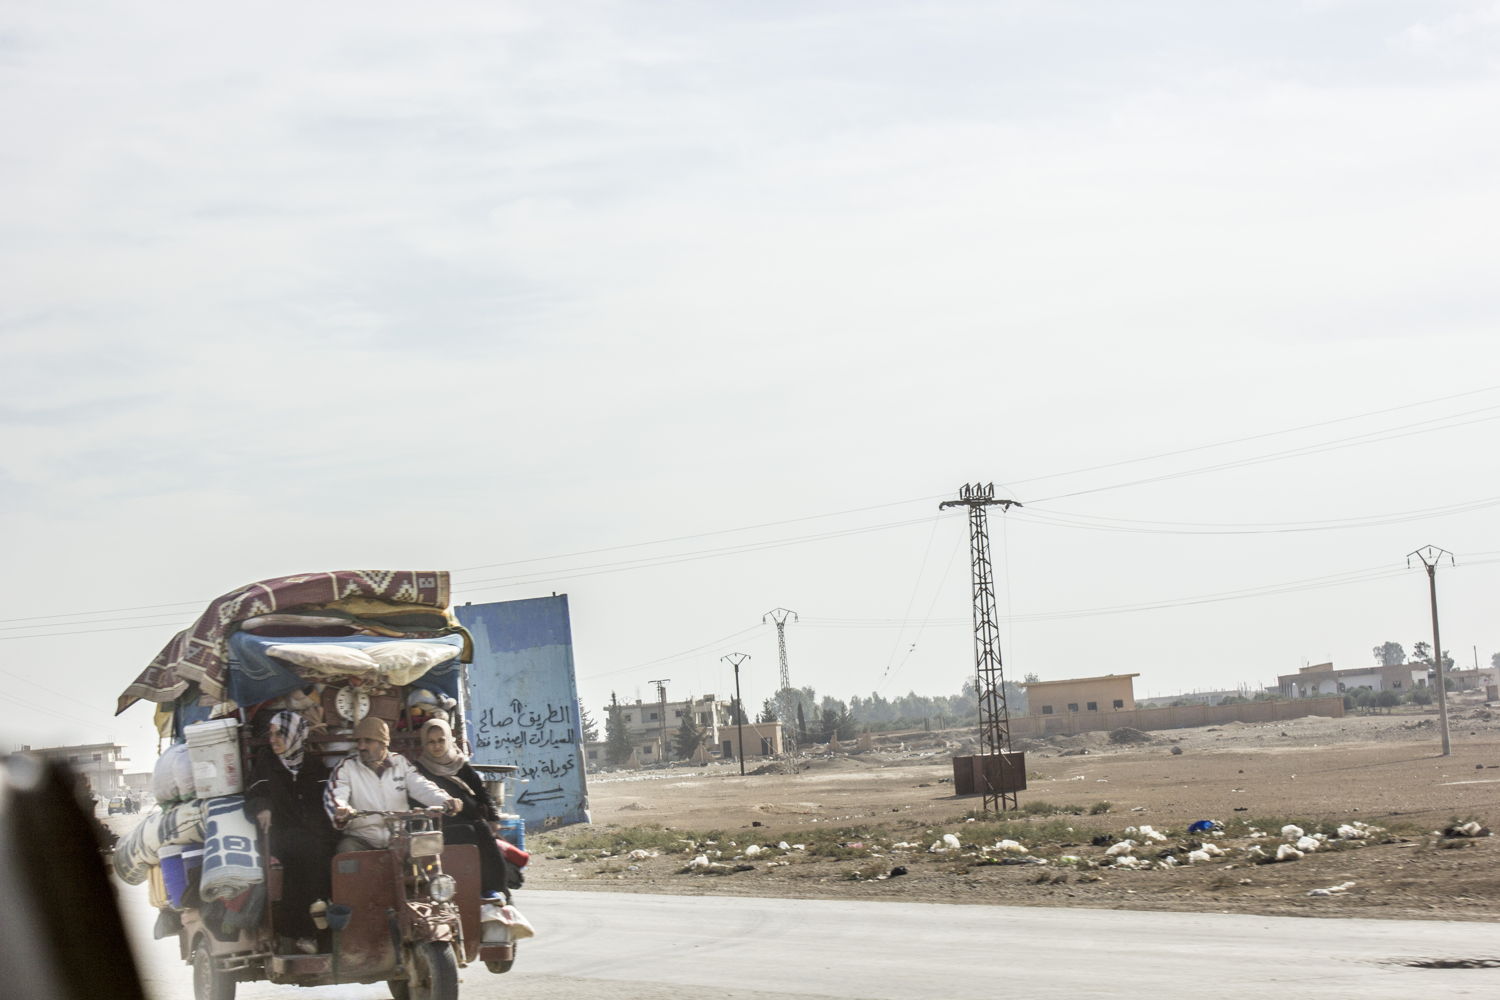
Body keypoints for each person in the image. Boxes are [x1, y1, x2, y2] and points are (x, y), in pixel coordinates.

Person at [244, 710, 337, 955]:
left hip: (314, 834)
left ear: (295, 735)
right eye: (272, 734)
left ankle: (325, 932)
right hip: (281, 835)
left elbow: (326, 802)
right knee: (302, 860)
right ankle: (301, 933)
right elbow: (253, 794)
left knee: (333, 859)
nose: (273, 740)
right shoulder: (267, 762)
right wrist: (262, 807)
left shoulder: (313, 765)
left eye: (280, 734)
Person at [324, 716, 459, 853]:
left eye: (368, 741)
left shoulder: (400, 763)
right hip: (361, 839)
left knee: (428, 854)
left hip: (399, 837)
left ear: (384, 743)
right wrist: (340, 810)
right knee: (346, 850)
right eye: (359, 741)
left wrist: (445, 800)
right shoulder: (347, 767)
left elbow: (422, 786)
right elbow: (336, 794)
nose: (361, 746)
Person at [411, 718, 510, 898]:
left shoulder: (459, 763)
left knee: (484, 831)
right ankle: (475, 890)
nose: (437, 746)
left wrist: (494, 818)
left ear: (449, 739)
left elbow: (481, 792)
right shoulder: (420, 769)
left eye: (441, 740)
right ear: (424, 744)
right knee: (471, 832)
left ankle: (498, 891)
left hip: (472, 819)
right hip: (442, 824)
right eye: (431, 742)